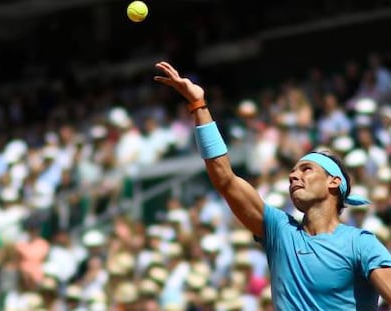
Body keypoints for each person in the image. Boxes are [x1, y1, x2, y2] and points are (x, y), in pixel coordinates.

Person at [154, 61, 391, 311]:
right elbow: (225, 179)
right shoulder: (279, 230)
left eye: (306, 169)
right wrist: (199, 106)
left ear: (334, 182)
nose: (293, 177)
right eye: (292, 171)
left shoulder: (361, 243)